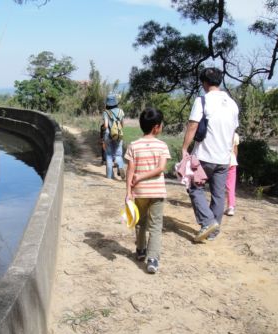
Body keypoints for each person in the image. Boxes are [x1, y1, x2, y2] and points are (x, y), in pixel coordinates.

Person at [181, 67, 239, 242]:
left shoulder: (202, 101)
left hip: (204, 155)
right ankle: (213, 230)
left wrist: (185, 148)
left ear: (204, 83)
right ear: (219, 82)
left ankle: (208, 222)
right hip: (224, 157)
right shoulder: (232, 103)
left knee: (193, 187)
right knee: (218, 194)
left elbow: (193, 125)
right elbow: (233, 130)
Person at [125, 108, 171, 273]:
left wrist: (128, 192)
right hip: (157, 192)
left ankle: (140, 250)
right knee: (156, 226)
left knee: (140, 222)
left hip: (140, 192)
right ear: (156, 127)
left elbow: (130, 171)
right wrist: (144, 176)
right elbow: (161, 168)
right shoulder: (162, 146)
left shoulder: (133, 146)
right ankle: (152, 259)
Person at [102, 94, 125, 179]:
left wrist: (104, 129)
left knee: (109, 155)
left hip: (108, 134)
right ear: (115, 102)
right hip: (118, 134)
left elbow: (106, 125)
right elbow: (122, 124)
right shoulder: (120, 111)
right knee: (118, 154)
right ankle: (120, 166)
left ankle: (110, 176)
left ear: (107, 103)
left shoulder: (106, 112)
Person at [225, 132, 240, 216]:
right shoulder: (235, 135)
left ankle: (216, 207)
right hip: (232, 162)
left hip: (221, 161)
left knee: (218, 185)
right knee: (231, 186)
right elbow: (235, 149)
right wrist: (235, 159)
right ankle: (231, 207)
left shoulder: (221, 131)